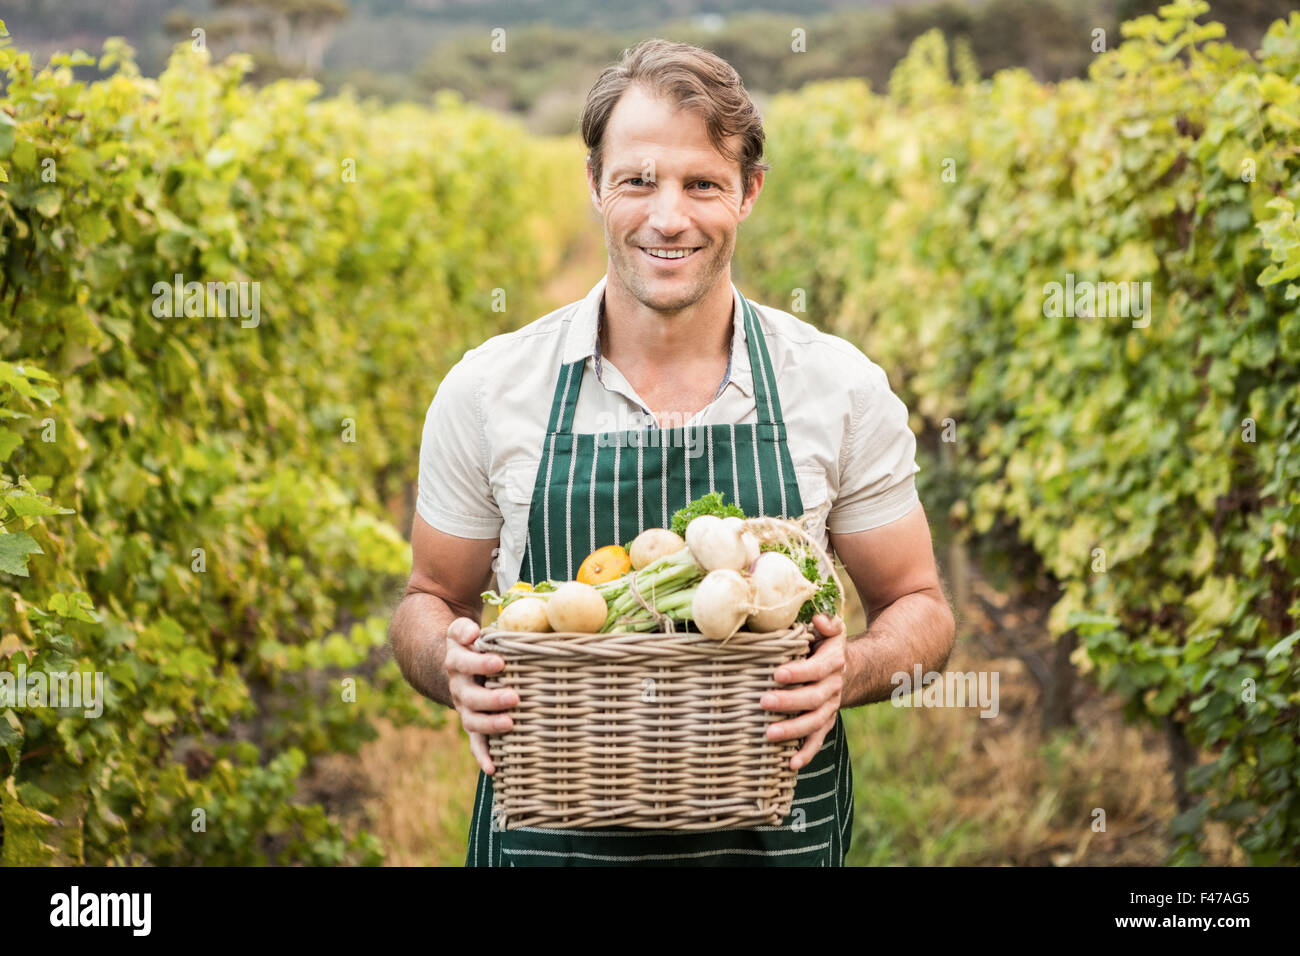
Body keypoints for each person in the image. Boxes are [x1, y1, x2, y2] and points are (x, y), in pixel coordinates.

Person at [389, 37, 955, 867]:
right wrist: (451, 662)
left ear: (749, 192)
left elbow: (921, 606)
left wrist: (853, 670)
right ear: (593, 186)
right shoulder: (488, 390)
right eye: (637, 180)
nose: (668, 215)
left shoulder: (836, 387)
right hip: (550, 843)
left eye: (702, 184)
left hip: (776, 842)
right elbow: (427, 598)